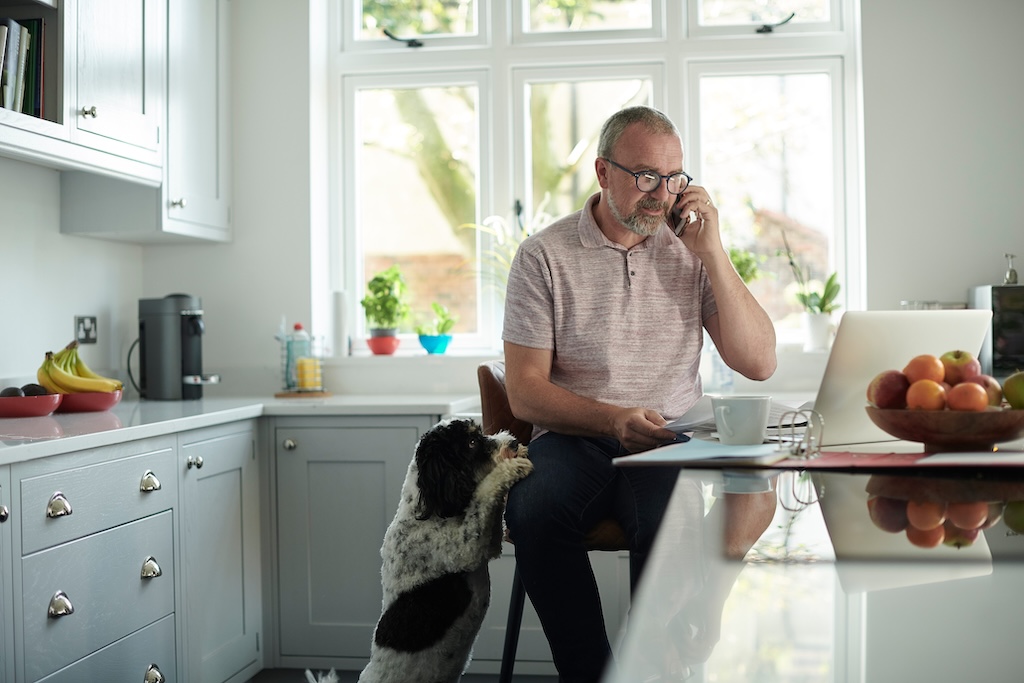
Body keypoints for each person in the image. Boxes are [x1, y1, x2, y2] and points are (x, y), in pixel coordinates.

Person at [502, 105, 777, 682]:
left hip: (666, 441)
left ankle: (660, 667)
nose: (664, 194)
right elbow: (525, 395)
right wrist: (612, 419)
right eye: (646, 176)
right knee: (533, 510)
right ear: (603, 173)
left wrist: (714, 254)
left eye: (675, 177)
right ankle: (592, 674)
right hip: (574, 437)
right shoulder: (542, 256)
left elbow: (759, 362)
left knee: (671, 521)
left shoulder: (692, 252)